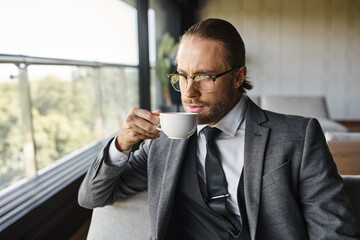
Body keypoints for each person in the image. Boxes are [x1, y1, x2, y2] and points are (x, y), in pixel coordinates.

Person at [78, 18, 360, 239]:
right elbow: (92, 197)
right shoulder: (161, 142)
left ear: (238, 76)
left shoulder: (299, 136)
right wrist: (122, 144)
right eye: (182, 76)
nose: (188, 92)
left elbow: (334, 231)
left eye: (203, 77)